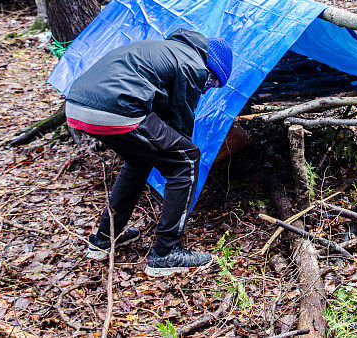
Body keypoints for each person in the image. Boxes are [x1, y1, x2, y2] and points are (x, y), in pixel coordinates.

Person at [64, 28, 232, 277]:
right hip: (116, 107)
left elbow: (161, 113)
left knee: (139, 160)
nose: (207, 89)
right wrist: (178, 168)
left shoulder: (168, 51)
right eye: (212, 83)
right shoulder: (193, 65)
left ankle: (105, 238)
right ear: (212, 68)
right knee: (187, 159)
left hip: (78, 107)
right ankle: (166, 253)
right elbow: (181, 123)